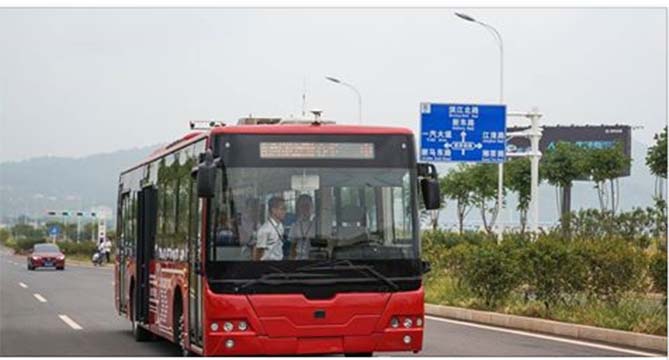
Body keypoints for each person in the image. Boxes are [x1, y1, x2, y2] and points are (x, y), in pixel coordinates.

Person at [254, 196, 286, 261]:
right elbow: (258, 252)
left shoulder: (281, 226)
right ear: (273, 210)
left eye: (285, 209)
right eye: (282, 209)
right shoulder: (265, 229)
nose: (285, 211)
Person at [289, 194, 315, 260]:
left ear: (312, 207)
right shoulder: (294, 226)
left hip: (314, 258)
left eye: (307, 205)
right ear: (298, 208)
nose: (305, 209)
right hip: (298, 259)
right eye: (302, 206)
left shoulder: (317, 225)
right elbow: (292, 247)